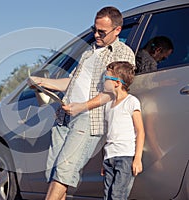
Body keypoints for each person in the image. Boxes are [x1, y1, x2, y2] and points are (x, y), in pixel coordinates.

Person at [29, 6, 135, 200]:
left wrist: (82, 106)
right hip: (65, 116)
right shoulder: (89, 52)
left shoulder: (123, 53)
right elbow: (73, 82)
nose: (96, 35)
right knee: (54, 174)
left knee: (64, 172)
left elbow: (113, 92)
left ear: (117, 30)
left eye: (101, 32)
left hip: (88, 118)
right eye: (94, 29)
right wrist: (44, 83)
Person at [101, 61, 145, 200]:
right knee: (107, 196)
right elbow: (108, 134)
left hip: (125, 157)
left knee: (117, 196)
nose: (103, 81)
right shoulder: (108, 106)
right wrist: (105, 159)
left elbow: (140, 131)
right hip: (109, 157)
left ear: (117, 83)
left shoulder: (131, 102)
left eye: (106, 78)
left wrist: (137, 158)